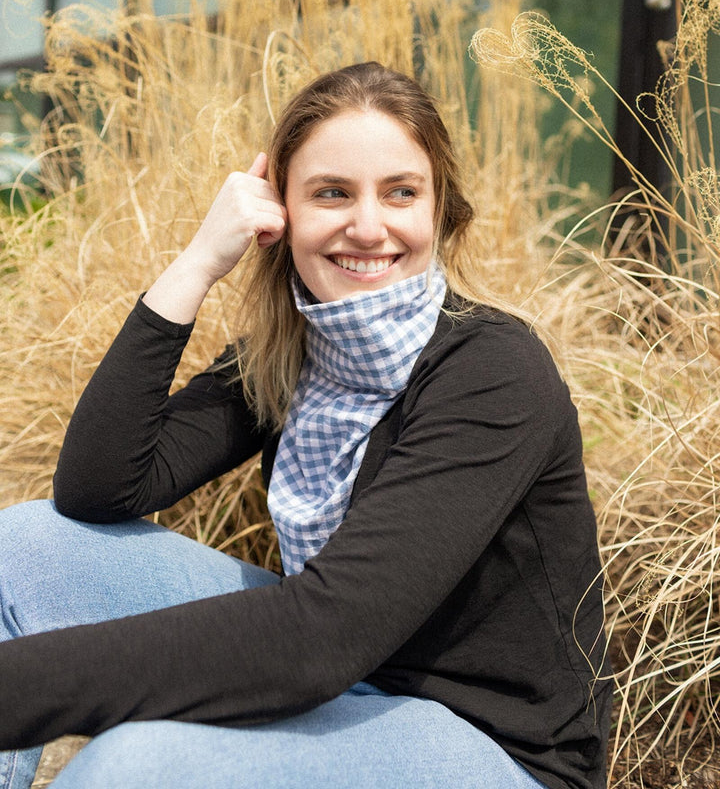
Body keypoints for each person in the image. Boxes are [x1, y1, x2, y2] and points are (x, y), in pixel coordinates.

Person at [0, 62, 612, 789]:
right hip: (348, 683)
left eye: (401, 193)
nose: (367, 226)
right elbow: (99, 488)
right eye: (332, 193)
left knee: (136, 767)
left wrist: (19, 689)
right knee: (27, 546)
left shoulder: (494, 371)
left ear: (440, 210)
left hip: (493, 747)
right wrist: (198, 263)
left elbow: (320, 637)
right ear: (278, 211)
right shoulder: (293, 351)